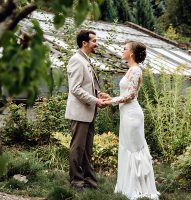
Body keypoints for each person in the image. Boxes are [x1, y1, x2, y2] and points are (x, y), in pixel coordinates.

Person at [103, 41, 160, 200]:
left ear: (132, 54)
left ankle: (139, 188)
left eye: (125, 49)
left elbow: (131, 96)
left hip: (133, 115)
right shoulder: (130, 70)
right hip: (126, 114)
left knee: (134, 149)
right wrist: (110, 98)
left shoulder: (136, 71)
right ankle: (126, 186)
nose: (122, 51)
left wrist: (111, 101)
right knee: (126, 148)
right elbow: (125, 93)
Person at [65, 30, 109, 191]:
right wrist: (96, 100)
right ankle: (76, 182)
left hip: (88, 112)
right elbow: (75, 89)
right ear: (85, 43)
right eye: (94, 41)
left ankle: (89, 180)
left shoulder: (86, 60)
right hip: (80, 112)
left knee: (87, 148)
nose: (96, 44)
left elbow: (86, 85)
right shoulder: (76, 60)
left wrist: (98, 94)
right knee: (77, 148)